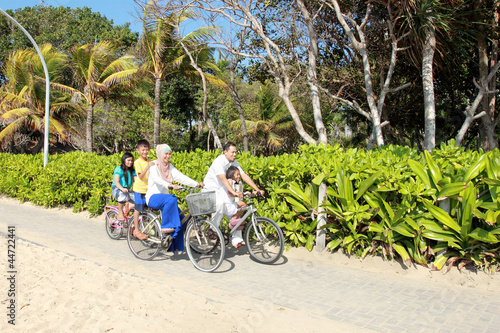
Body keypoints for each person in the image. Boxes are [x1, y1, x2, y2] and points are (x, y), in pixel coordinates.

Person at [203, 141, 264, 248]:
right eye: (232, 152)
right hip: (211, 191)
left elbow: (243, 175)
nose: (234, 154)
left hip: (224, 192)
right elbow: (223, 179)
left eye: (236, 152)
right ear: (225, 152)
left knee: (239, 211)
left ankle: (236, 239)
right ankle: (212, 229)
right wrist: (234, 192)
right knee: (220, 203)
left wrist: (257, 189)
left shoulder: (233, 162)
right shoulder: (219, 161)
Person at [146, 144, 203, 253]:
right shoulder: (154, 165)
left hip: (166, 200)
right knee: (172, 199)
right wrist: (170, 185)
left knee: (182, 220)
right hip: (153, 197)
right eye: (165, 154)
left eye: (169, 154)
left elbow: (180, 176)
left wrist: (196, 184)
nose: (168, 156)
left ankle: (174, 246)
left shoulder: (168, 166)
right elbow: (157, 180)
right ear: (160, 154)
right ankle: (165, 226)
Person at [131, 139, 155, 241]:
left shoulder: (150, 161)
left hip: (148, 190)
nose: (145, 152)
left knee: (148, 209)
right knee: (138, 209)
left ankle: (146, 227)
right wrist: (147, 167)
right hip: (139, 190)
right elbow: (140, 176)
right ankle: (136, 230)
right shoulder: (138, 162)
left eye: (147, 150)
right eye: (143, 150)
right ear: (138, 150)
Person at [225, 166, 247, 248]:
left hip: (229, 205)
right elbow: (229, 193)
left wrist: (246, 193)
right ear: (231, 175)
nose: (239, 176)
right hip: (227, 205)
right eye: (237, 174)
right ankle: (232, 220)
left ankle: (236, 241)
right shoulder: (230, 181)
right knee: (243, 204)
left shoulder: (233, 183)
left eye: (239, 174)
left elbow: (236, 192)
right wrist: (236, 194)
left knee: (238, 221)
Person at [111, 152, 136, 223]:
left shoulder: (132, 171)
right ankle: (120, 212)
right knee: (123, 195)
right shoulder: (119, 169)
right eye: (128, 160)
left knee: (138, 200)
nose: (130, 162)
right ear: (124, 160)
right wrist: (122, 189)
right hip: (117, 189)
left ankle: (128, 211)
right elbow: (116, 182)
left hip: (127, 190)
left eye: (131, 160)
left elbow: (136, 181)